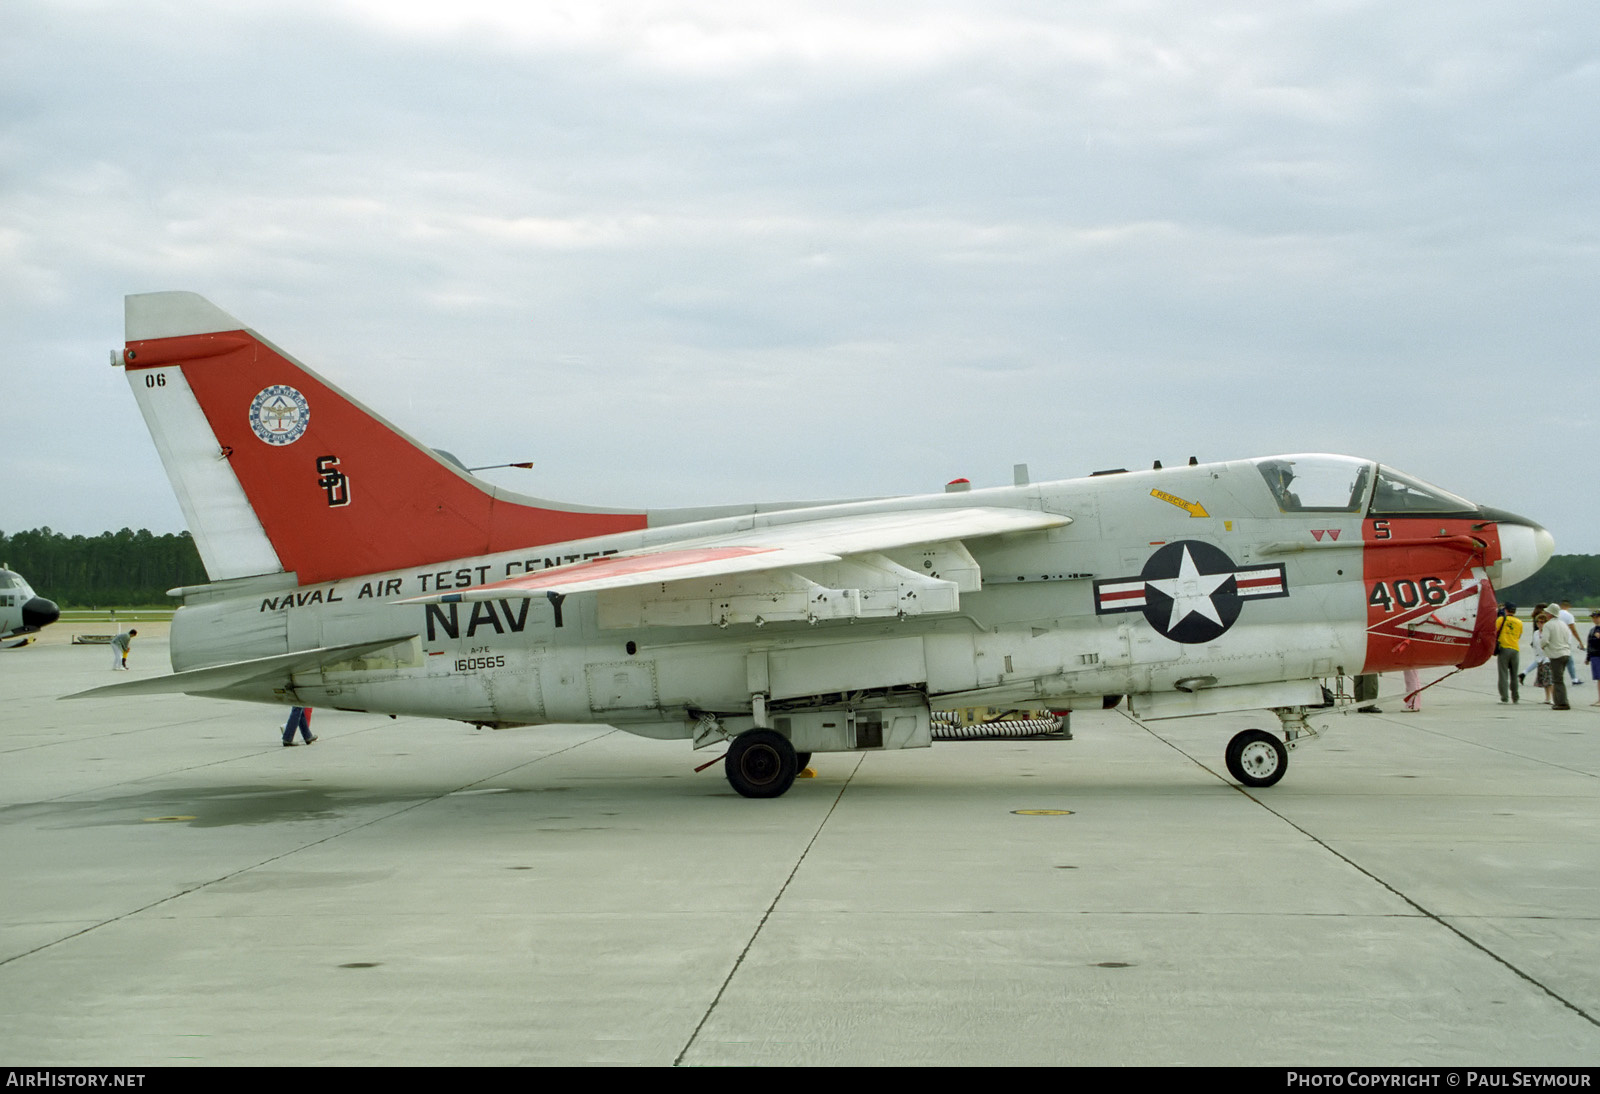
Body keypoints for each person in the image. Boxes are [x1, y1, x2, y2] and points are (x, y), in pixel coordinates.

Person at [1538, 609, 1573, 711]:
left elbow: (1544, 640)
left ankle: (1562, 703)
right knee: (1559, 678)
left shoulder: (1548, 625)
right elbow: (1568, 639)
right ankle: (1560, 701)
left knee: (1557, 680)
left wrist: (1543, 646)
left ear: (1550, 614)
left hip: (1556, 654)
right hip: (1566, 653)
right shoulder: (1563, 624)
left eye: (1547, 613)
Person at [1495, 603, 1522, 704]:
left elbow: (1494, 631)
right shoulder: (1519, 622)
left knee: (1503, 674)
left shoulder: (1501, 619)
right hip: (1515, 649)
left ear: (1506, 610)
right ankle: (1515, 697)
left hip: (1504, 648)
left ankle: (1504, 697)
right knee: (1514, 675)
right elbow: (1519, 635)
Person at [1558, 602, 1582, 685]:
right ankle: (1574, 679)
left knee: (1565, 659)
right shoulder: (1569, 615)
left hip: (1557, 640)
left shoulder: (1556, 614)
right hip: (1566, 641)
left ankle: (1573, 678)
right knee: (1568, 660)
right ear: (1568, 606)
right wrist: (1580, 641)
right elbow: (1573, 629)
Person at [1587, 610, 1600, 706]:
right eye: (1593, 617)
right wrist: (1587, 657)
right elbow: (1589, 644)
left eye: (1597, 617)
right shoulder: (1592, 630)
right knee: (1598, 678)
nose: (1595, 619)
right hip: (1594, 655)